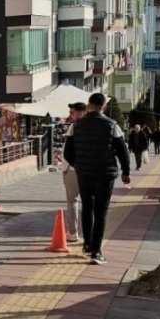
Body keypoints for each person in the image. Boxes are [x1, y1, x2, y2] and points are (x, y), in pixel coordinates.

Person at [64, 93, 131, 265]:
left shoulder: (76, 126)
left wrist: (79, 166)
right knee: (101, 212)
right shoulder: (112, 125)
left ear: (88, 106)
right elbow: (123, 151)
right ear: (104, 107)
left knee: (87, 208)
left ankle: (87, 244)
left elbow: (68, 153)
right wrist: (126, 172)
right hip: (105, 174)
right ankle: (96, 251)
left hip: (84, 174)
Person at [60, 102, 87, 243]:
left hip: (73, 170)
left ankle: (73, 232)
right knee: (89, 203)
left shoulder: (74, 127)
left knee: (72, 201)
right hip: (91, 171)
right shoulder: (100, 126)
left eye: (72, 112)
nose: (70, 115)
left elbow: (68, 151)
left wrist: (74, 166)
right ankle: (89, 236)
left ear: (81, 113)